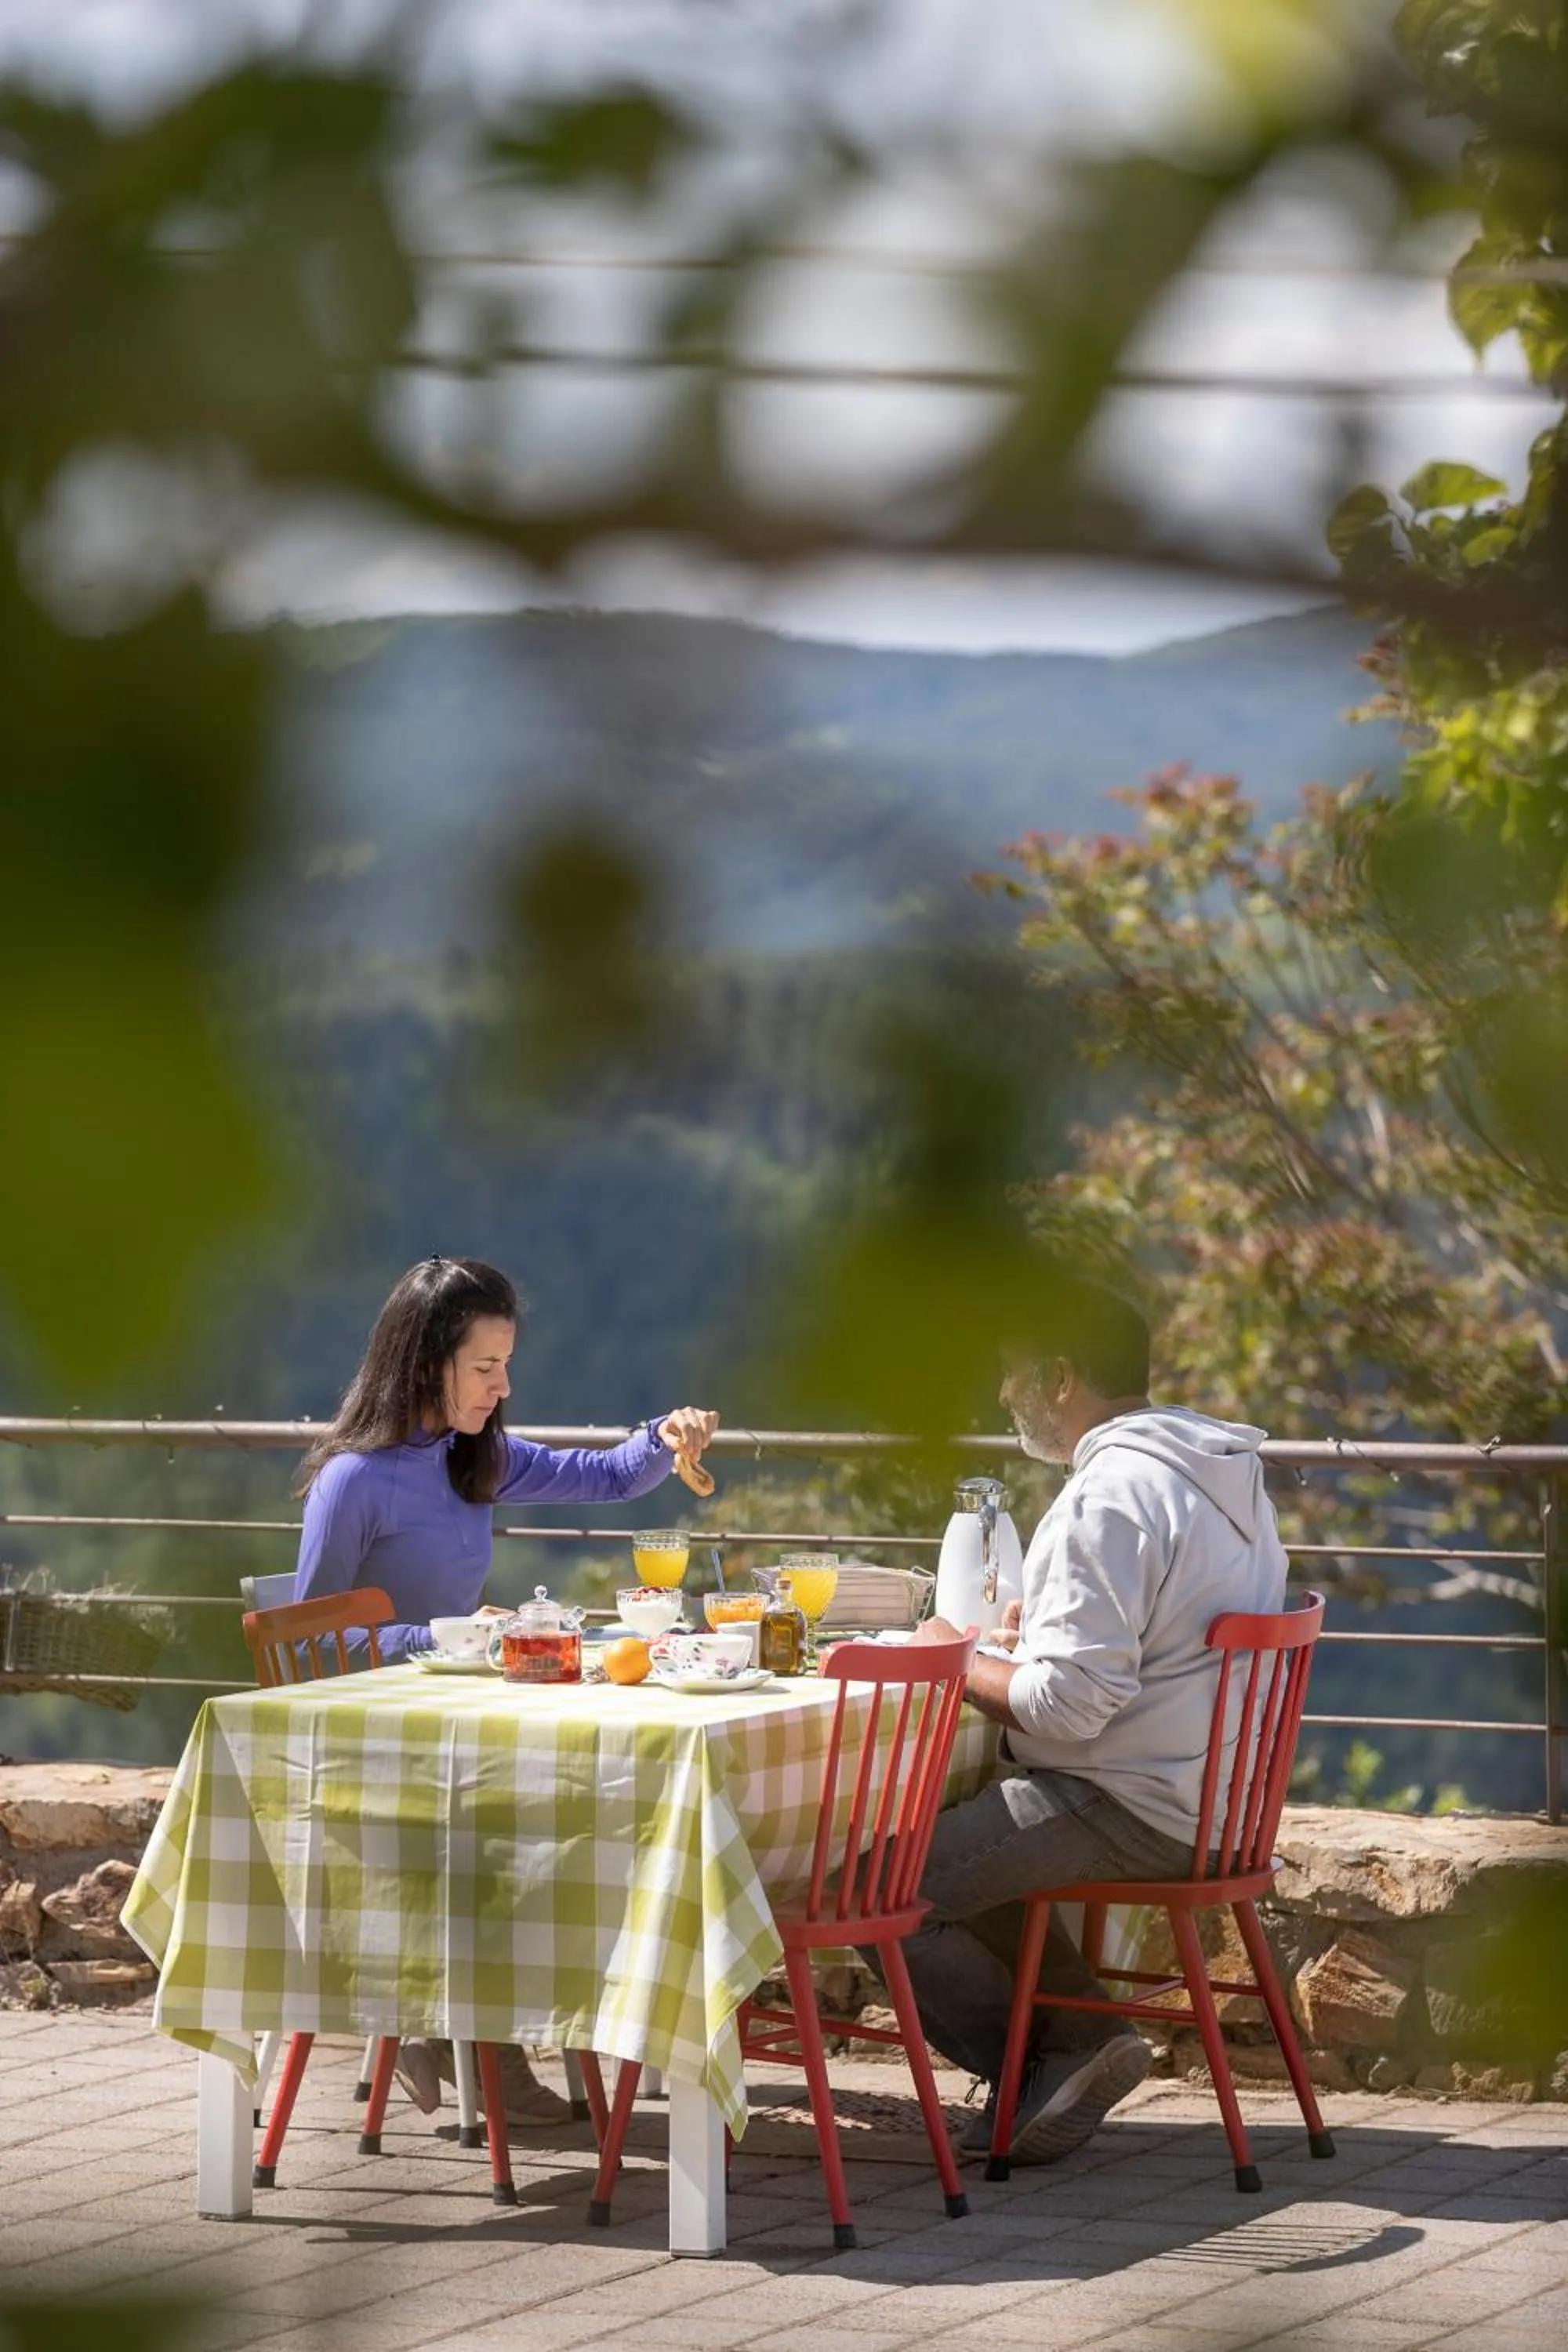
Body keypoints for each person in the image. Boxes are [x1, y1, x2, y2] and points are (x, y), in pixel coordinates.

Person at [291, 1252, 720, 2127]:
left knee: (593, 1816)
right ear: (424, 1365)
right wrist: (448, 1638)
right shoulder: (354, 1481)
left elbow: (603, 1477)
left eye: (506, 1364)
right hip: (377, 1757)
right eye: (485, 1367)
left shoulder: (470, 1458)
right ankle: (467, 2039)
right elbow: (312, 1639)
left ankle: (452, 2029)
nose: (502, 1385)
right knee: (548, 1831)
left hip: (462, 1734)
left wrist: (662, 1437)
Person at [902, 1275, 1288, 2164]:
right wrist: (1030, 1640)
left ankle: (1053, 2055)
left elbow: (1068, 1710)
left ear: (1060, 1375)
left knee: (883, 1886)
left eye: (1011, 1375)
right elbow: (1158, 1644)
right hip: (1213, 1794)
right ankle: (1074, 2045)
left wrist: (954, 1657)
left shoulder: (1104, 1498)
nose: (1003, 1396)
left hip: (1130, 1802)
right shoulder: (1220, 1476)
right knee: (948, 1856)